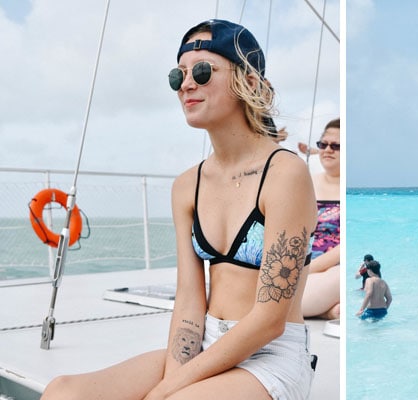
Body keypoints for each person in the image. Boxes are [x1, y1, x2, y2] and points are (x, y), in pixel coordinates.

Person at [44, 20, 316, 400]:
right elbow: (189, 301)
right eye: (179, 75)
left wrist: (166, 391)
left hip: (271, 357)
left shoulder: (285, 174)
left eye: (202, 71)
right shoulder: (188, 185)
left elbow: (270, 320)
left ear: (250, 82)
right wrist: (173, 378)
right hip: (206, 346)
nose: (186, 84)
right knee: (63, 392)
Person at [301, 117, 341, 320]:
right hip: (301, 265)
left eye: (336, 146)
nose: (327, 150)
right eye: (323, 145)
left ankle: (322, 309)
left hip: (331, 269)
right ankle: (325, 311)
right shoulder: (306, 183)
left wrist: (308, 270)